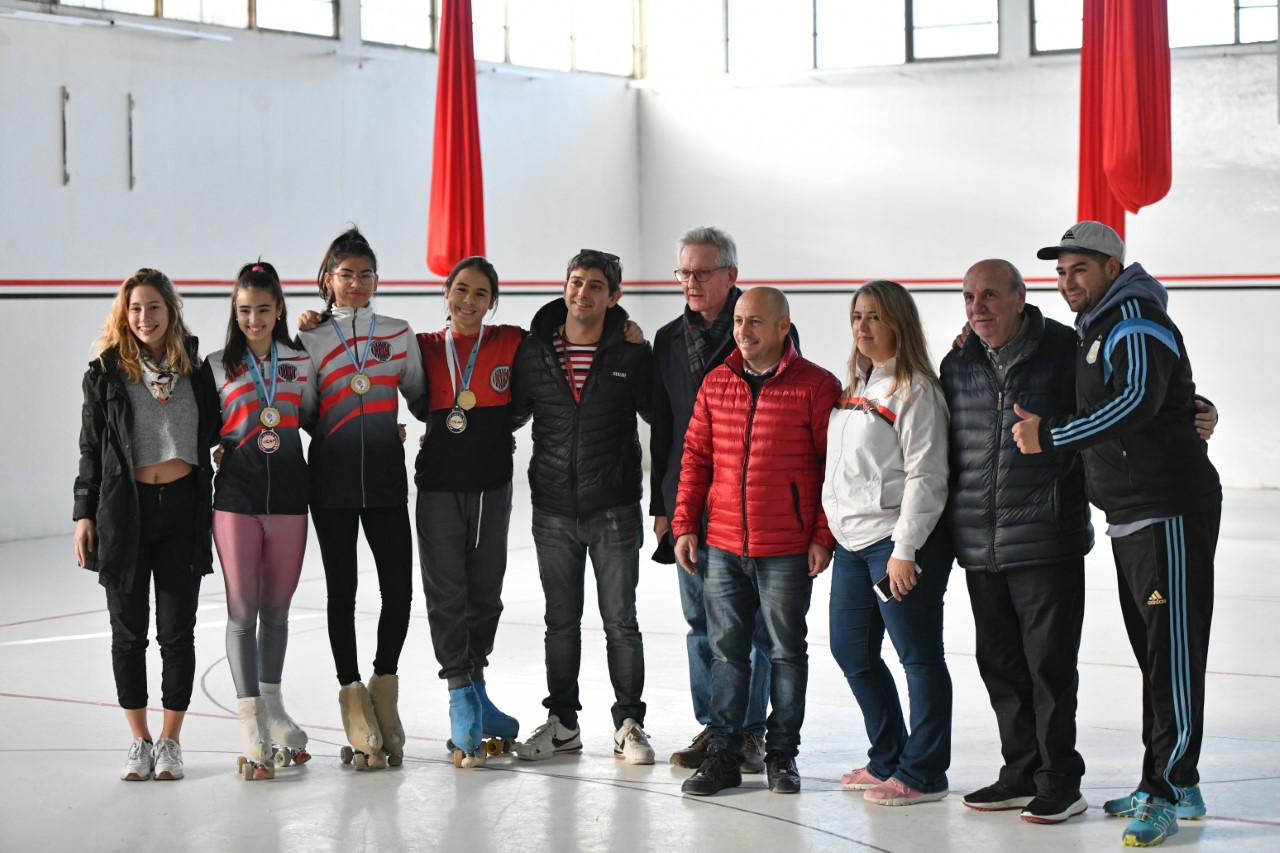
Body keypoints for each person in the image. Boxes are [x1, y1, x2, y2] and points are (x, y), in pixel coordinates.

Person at [1013, 221, 1222, 848]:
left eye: (1079, 268)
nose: (1066, 281)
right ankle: (1174, 783)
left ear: (1111, 267)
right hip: (1132, 515)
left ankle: (1165, 791)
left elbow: (1134, 400)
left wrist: (1050, 434)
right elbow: (1162, 398)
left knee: (1173, 664)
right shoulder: (1101, 326)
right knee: (1157, 659)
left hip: (1169, 513)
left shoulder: (1132, 318)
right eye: (1060, 271)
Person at [673, 286, 841, 796]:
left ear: (783, 326)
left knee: (787, 652)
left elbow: (830, 469)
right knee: (727, 654)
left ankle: (782, 755)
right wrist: (684, 525)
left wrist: (821, 536)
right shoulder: (716, 383)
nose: (743, 331)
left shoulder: (817, 386)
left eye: (755, 322)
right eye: (740, 321)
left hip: (787, 548)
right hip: (722, 544)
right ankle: (723, 753)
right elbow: (696, 458)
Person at [651, 226, 798, 773]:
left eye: (702, 272)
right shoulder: (666, 340)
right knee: (701, 625)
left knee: (754, 628)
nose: (690, 282)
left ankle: (751, 734)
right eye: (684, 272)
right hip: (690, 507)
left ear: (731, 276)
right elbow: (662, 431)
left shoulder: (764, 328)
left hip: (753, 506)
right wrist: (662, 508)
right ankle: (716, 728)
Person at [509, 249, 655, 765]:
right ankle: (564, 723)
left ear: (613, 296)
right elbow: (508, 415)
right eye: (576, 282)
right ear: (564, 286)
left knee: (621, 621)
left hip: (614, 508)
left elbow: (666, 418)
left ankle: (630, 724)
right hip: (551, 509)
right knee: (560, 622)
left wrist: (666, 501)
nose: (583, 293)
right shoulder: (533, 352)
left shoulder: (632, 354)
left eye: (596, 285)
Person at [73, 268, 219, 781]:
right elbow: (91, 450)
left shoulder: (196, 370)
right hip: (124, 512)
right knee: (128, 635)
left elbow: (223, 426)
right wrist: (83, 514)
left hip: (183, 509)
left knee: (177, 633)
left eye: (153, 307)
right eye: (135, 308)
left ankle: (172, 742)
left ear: (170, 311)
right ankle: (139, 741)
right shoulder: (106, 374)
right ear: (124, 313)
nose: (144, 317)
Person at [297, 227, 431, 770]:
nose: (356, 283)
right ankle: (351, 697)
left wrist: (390, 425)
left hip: (383, 481)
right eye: (345, 274)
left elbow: (421, 399)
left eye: (365, 274)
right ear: (328, 280)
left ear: (378, 280)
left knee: (399, 589)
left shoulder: (398, 334)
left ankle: (383, 687)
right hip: (328, 482)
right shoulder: (308, 340)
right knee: (342, 593)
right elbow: (303, 412)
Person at [822, 280, 952, 807]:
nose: (862, 326)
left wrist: (905, 550)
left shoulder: (916, 389)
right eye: (857, 316)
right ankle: (888, 756)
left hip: (895, 544)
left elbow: (927, 476)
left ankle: (923, 773)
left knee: (917, 657)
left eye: (874, 316)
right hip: (851, 547)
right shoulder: (857, 388)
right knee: (850, 650)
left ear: (899, 323)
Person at [203, 262, 318, 780]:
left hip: (291, 500)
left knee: (277, 611)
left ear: (278, 310)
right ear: (235, 309)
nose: (254, 319)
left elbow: (321, 417)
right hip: (236, 502)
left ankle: (274, 708)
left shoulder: (299, 360)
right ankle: (250, 721)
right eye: (245, 309)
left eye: (263, 309)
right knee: (242, 613)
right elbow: (202, 430)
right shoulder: (213, 366)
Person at [412, 256, 524, 768]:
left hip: (491, 490)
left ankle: (477, 691)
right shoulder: (425, 348)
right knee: (446, 595)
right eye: (461, 290)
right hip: (438, 491)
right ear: (446, 294)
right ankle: (460, 695)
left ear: (493, 302)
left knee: (485, 595)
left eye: (481, 293)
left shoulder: (511, 342)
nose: (469, 301)